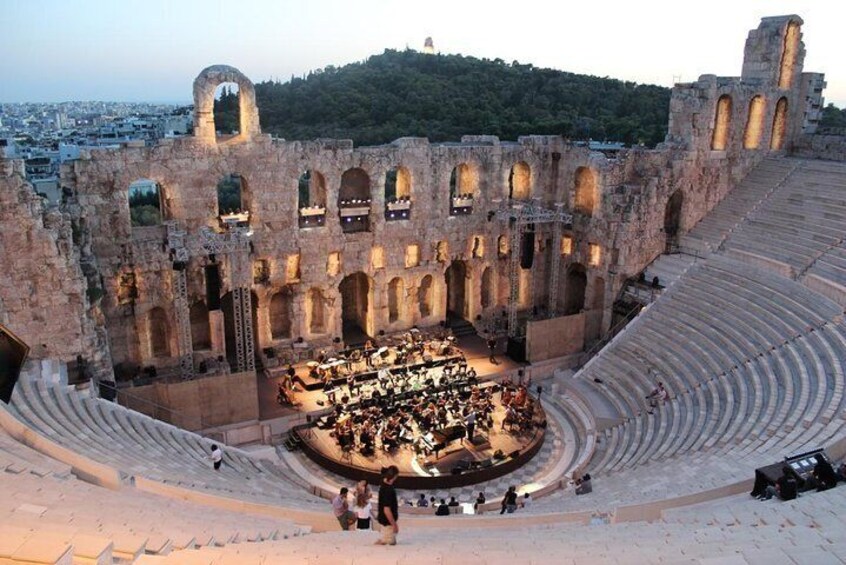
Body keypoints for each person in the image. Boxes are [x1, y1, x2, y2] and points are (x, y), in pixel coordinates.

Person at [375, 465, 399, 546]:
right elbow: (387, 510)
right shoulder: (388, 490)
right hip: (388, 524)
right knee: (389, 543)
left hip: (384, 522)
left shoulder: (383, 484)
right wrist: (394, 525)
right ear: (394, 476)